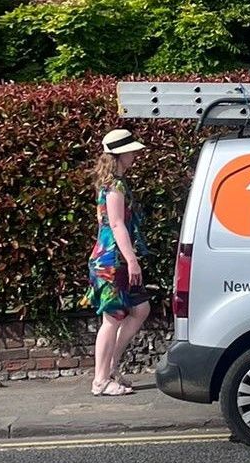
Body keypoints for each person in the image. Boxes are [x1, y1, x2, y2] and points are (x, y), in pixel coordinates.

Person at [83, 128, 150, 396]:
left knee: (140, 309)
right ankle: (100, 380)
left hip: (112, 258)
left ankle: (110, 367)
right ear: (120, 155)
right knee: (111, 320)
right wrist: (132, 260)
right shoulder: (115, 186)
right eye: (131, 151)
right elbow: (117, 224)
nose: (135, 155)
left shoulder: (112, 183)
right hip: (112, 261)